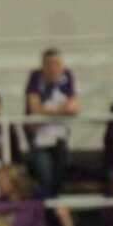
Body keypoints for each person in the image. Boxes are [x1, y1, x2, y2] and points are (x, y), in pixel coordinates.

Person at [24, 49, 80, 197]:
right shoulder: (35, 77)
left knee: (59, 175)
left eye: (56, 64)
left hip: (59, 133)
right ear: (43, 67)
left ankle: (56, 207)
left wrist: (47, 111)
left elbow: (74, 107)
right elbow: (35, 108)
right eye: (49, 65)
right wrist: (62, 109)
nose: (53, 68)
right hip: (38, 134)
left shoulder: (67, 76)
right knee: (45, 175)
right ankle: (45, 207)